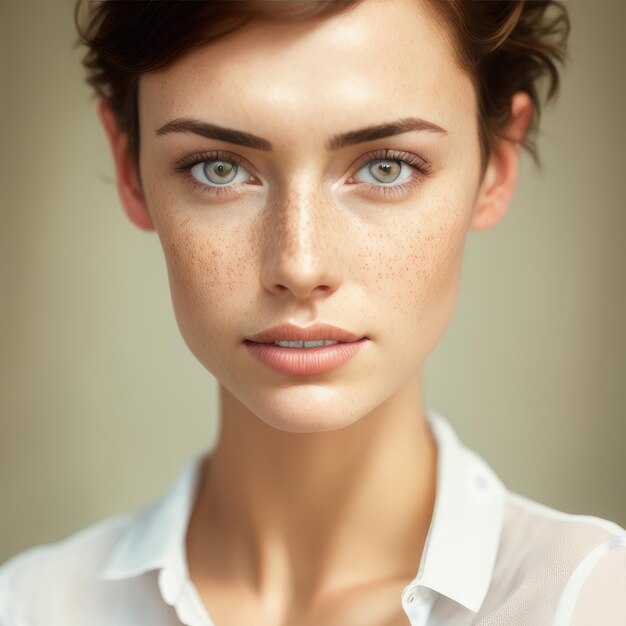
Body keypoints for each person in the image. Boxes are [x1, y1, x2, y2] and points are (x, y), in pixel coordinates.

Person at [1, 1, 624, 624]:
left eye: (387, 166)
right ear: (129, 168)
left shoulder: (590, 603)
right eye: (218, 169)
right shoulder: (28, 607)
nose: (299, 265)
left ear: (499, 163)